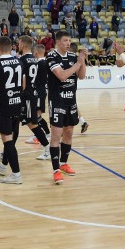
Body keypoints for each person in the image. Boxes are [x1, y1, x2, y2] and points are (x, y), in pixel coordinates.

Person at [46, 31, 86, 184]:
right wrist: (77, 64)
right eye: (65, 40)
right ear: (58, 42)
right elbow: (61, 76)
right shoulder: (51, 56)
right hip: (57, 101)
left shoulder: (72, 56)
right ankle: (56, 170)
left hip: (71, 100)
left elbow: (81, 76)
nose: (68, 43)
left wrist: (82, 61)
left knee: (69, 133)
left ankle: (64, 164)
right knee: (56, 135)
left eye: (69, 40)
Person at [0, 37, 24, 184]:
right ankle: (3, 166)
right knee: (11, 138)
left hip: (4, 106)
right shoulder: (19, 62)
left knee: (7, 140)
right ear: (11, 47)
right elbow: (23, 85)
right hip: (17, 103)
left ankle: (16, 174)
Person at [14, 36, 51, 157]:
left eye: (19, 43)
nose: (17, 45)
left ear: (23, 45)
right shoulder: (35, 60)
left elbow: (23, 82)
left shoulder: (23, 60)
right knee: (15, 123)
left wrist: (20, 93)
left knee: (32, 124)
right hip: (31, 94)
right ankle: (7, 151)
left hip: (26, 96)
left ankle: (47, 148)